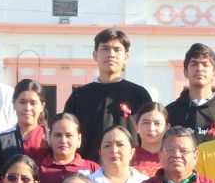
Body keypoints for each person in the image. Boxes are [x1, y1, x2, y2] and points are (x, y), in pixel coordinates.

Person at [63, 28, 152, 161]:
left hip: (129, 172)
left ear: (126, 57)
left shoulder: (139, 94)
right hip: (88, 172)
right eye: (105, 49)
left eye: (117, 50)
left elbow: (149, 135)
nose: (111, 54)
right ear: (95, 55)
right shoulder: (79, 96)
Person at [31, 113, 93, 183]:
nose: (63, 140)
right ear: (49, 138)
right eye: (57, 135)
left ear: (79, 139)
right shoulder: (37, 169)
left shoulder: (92, 169)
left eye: (69, 135)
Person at [164, 42, 215, 143]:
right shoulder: (170, 112)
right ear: (185, 72)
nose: (199, 69)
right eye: (194, 64)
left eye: (205, 64)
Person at [0, 78, 49, 176]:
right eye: (22, 102)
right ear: (13, 104)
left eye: (33, 103)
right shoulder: (3, 140)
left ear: (42, 106)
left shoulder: (50, 137)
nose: (27, 108)